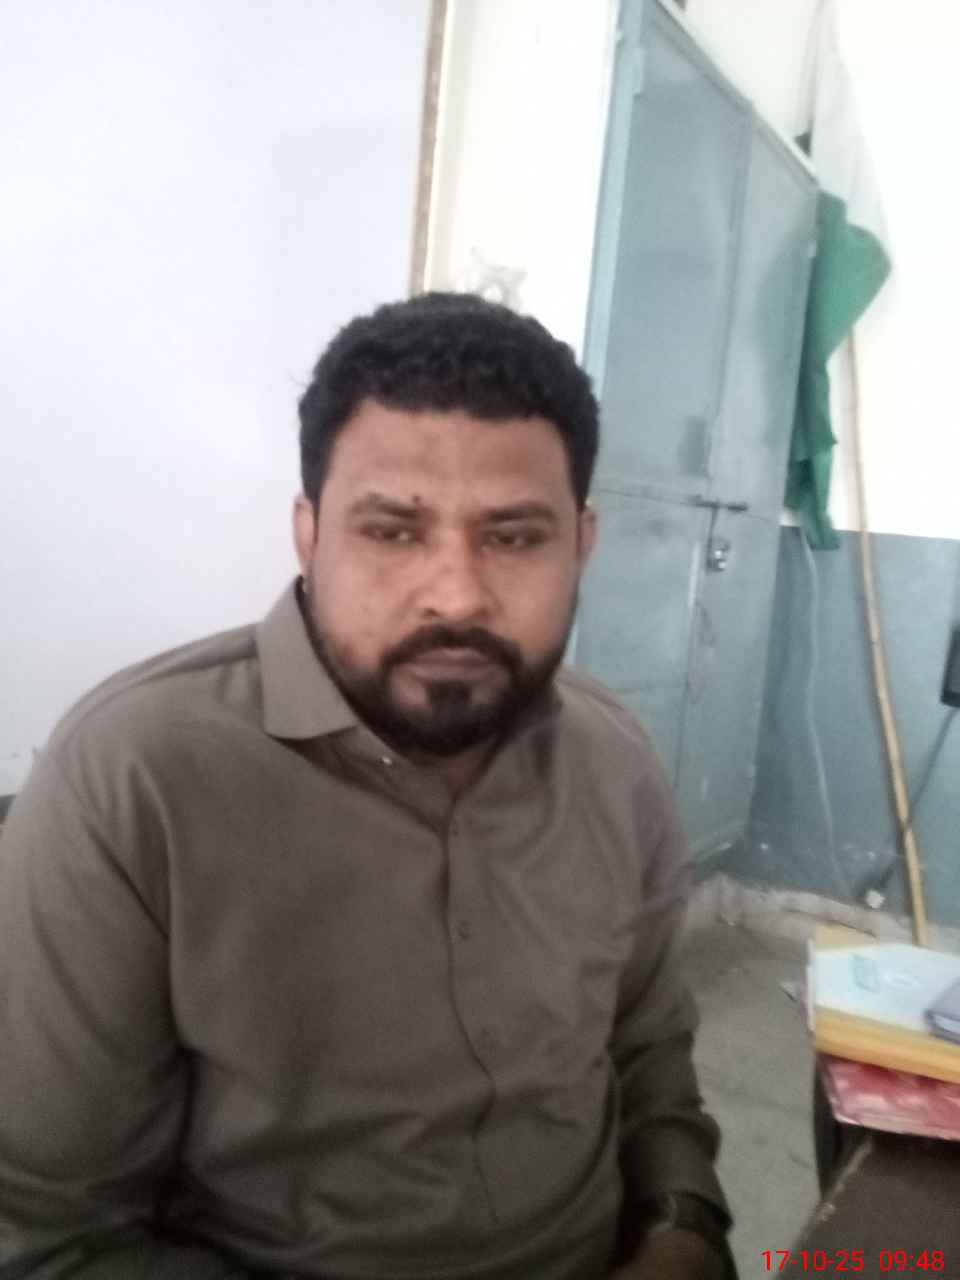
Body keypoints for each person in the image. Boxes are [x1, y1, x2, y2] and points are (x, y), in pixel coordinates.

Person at [0, 292, 734, 1279]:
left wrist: (684, 1224)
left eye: (515, 536)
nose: (457, 594)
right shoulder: (133, 782)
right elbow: (50, 1233)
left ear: (582, 544)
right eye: (392, 532)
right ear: (309, 536)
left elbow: (650, 1050)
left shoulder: (615, 759)